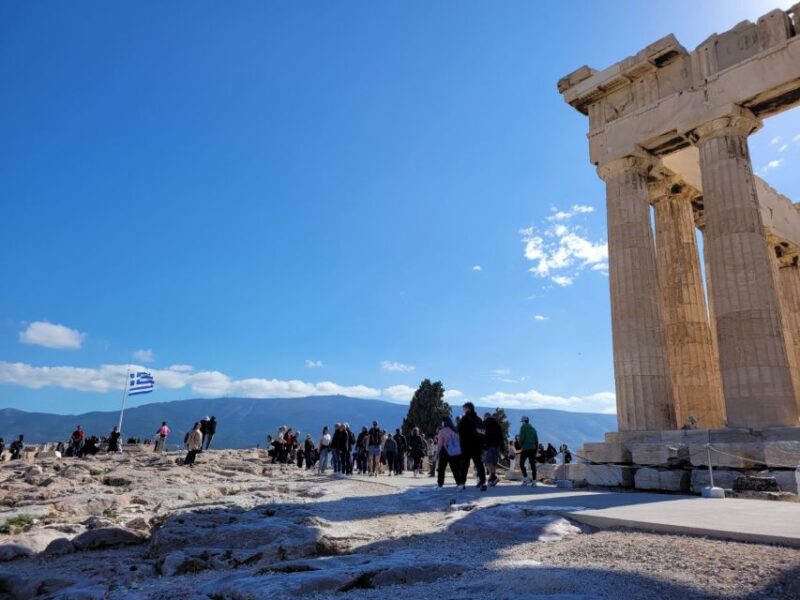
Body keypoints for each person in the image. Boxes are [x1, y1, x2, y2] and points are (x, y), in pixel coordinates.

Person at [458, 402, 487, 491]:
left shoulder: (464, 419)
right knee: (479, 465)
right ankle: (483, 483)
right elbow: (483, 433)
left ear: (468, 408)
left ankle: (462, 484)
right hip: (477, 446)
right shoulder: (479, 419)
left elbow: (460, 432)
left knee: (465, 466)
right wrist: (481, 444)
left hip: (466, 446)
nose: (463, 409)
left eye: (464, 408)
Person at [436, 417, 466, 490]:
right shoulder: (455, 430)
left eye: (442, 422)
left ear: (444, 422)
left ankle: (440, 484)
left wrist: (436, 453)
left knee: (441, 468)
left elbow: (440, 443)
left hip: (445, 451)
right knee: (455, 468)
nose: (441, 423)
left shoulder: (442, 431)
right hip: (455, 452)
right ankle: (459, 484)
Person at [482, 412, 503, 487]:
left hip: (488, 445)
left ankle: (494, 476)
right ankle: (491, 480)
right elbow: (501, 437)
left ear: (485, 417)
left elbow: (482, 434)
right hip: (497, 446)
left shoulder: (485, 423)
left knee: (487, 461)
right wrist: (502, 447)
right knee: (493, 463)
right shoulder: (497, 425)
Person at [518, 416, 539, 486]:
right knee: (533, 464)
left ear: (523, 422)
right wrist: (536, 450)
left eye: (522, 422)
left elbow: (521, 438)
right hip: (533, 448)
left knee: (521, 463)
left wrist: (520, 445)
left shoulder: (523, 427)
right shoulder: (533, 429)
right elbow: (536, 441)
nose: (521, 423)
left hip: (525, 448)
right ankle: (534, 481)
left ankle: (526, 478)